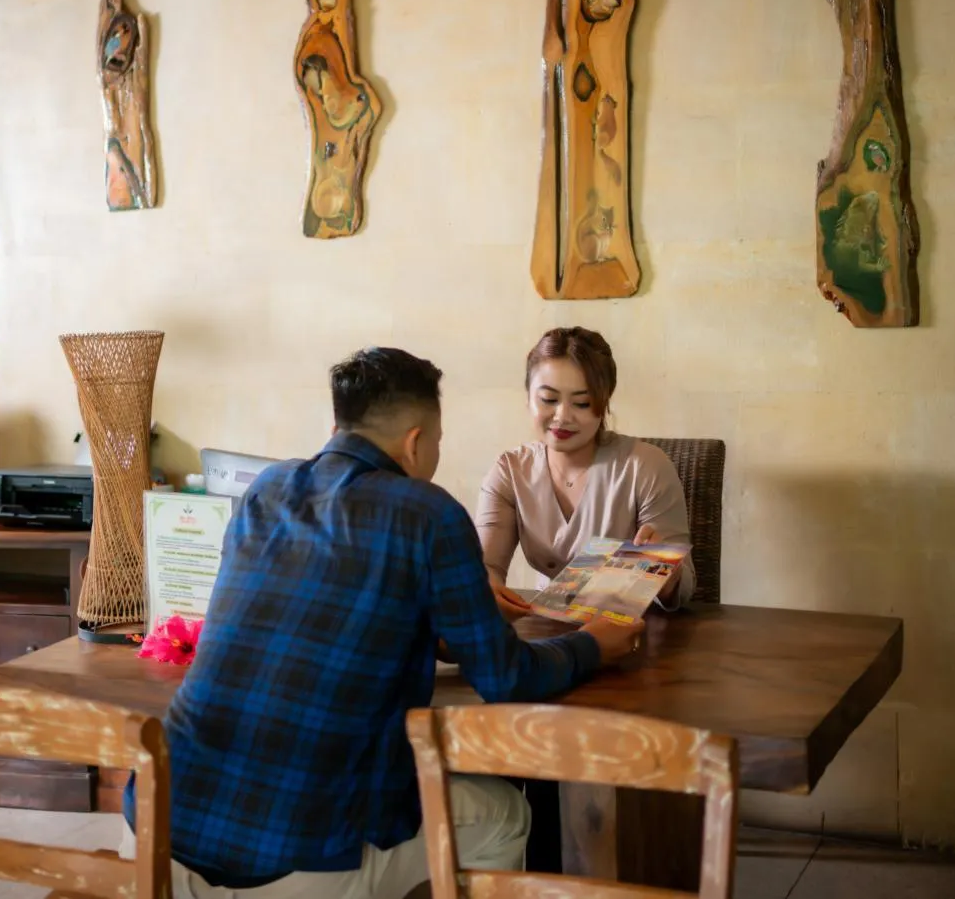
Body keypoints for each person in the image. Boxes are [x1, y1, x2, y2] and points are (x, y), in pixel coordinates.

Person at [122, 346, 644, 899]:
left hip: (158, 831)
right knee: (506, 812)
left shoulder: (265, 490)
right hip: (300, 856)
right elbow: (508, 679)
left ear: (335, 425)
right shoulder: (429, 510)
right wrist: (592, 645)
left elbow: (317, 610)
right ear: (416, 441)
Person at [475, 326, 695, 872]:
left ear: (605, 405)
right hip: (552, 638)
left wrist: (661, 571)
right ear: (528, 396)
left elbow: (684, 579)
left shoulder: (645, 465)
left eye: (582, 403)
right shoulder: (509, 469)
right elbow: (486, 566)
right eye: (548, 399)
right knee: (508, 731)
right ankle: (534, 870)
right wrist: (489, 587)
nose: (562, 418)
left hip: (633, 650)